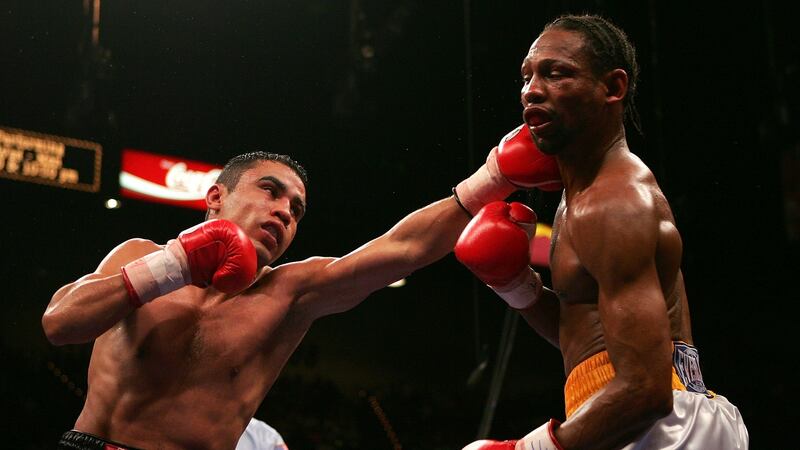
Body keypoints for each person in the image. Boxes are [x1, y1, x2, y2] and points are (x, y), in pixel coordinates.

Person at [43, 136, 561, 449]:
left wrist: (493, 175)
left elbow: (403, 248)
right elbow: (60, 323)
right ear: (216, 196)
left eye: (296, 209)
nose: (284, 211)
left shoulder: (289, 294)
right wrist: (174, 264)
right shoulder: (137, 253)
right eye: (270, 191)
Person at [455, 14, 749, 450]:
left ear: (613, 88)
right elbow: (580, 328)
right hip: (632, 414)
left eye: (557, 74)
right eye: (527, 76)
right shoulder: (573, 206)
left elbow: (645, 392)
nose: (531, 90)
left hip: (658, 423)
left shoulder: (613, 204)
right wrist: (516, 286)